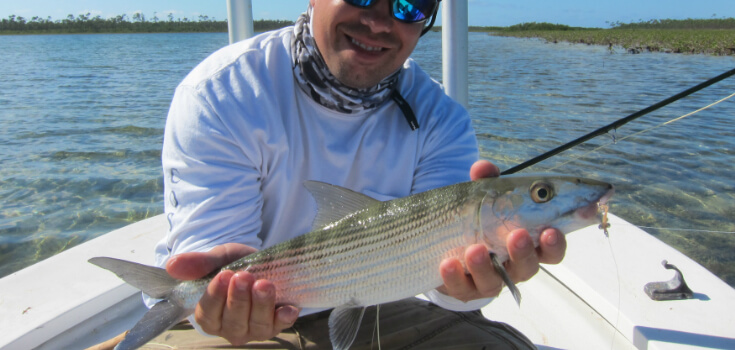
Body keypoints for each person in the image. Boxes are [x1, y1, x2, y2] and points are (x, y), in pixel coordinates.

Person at [146, 0, 567, 348]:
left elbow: (441, 285)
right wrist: (210, 300)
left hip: (373, 307)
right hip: (235, 324)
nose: (379, 21)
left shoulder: (442, 119)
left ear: (427, 20)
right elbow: (209, 295)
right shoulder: (223, 92)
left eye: (410, 4)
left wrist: (471, 286)